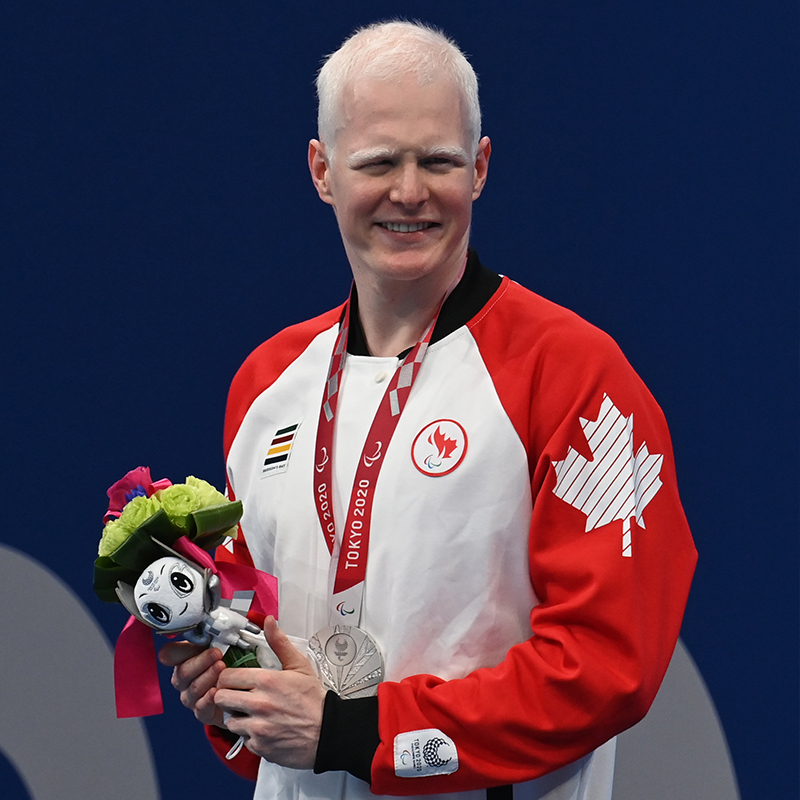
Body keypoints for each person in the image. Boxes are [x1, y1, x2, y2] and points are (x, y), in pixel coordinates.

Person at [159, 20, 697, 800]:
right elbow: (268, 657)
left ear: (479, 168)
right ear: (322, 170)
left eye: (438, 161)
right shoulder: (266, 385)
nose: (409, 192)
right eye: (377, 162)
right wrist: (231, 690)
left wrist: (358, 731)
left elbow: (606, 664)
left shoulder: (576, 377)